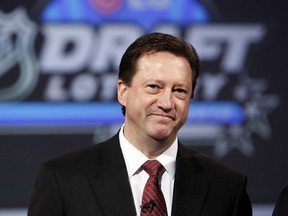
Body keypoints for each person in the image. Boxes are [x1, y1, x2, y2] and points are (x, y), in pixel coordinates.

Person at [28, 32, 252, 216]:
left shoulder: (227, 187)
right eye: (154, 87)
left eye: (179, 91)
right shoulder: (63, 179)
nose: (167, 103)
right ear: (123, 92)